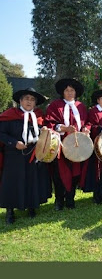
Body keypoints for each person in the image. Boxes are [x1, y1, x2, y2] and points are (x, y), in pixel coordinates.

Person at [0, 88, 51, 224]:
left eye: (32, 99)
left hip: (34, 152)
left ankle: (31, 206)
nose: (29, 101)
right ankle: (10, 211)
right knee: (13, 182)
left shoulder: (39, 116)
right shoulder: (9, 115)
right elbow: (2, 133)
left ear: (35, 103)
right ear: (20, 101)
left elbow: (38, 132)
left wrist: (44, 130)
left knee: (32, 180)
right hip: (14, 154)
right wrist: (13, 142)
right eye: (26, 98)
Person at [45, 78, 91, 210]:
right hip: (60, 145)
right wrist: (64, 129)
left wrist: (86, 128)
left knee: (76, 172)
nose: (70, 93)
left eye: (72, 90)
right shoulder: (55, 105)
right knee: (59, 173)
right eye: (67, 90)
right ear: (62, 92)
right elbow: (49, 123)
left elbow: (87, 122)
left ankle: (70, 197)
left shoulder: (81, 106)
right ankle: (59, 200)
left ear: (76, 92)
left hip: (77, 145)